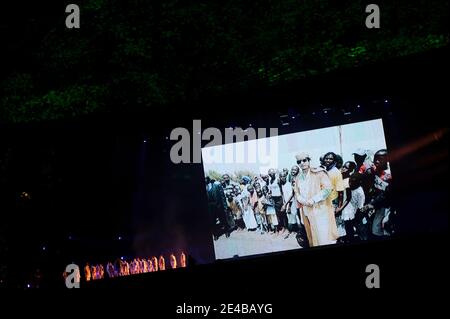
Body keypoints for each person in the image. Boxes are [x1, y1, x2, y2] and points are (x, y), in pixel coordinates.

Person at [294, 153, 338, 247]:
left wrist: (313, 200)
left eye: (304, 160)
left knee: (323, 236)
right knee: (312, 236)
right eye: (299, 162)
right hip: (306, 210)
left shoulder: (319, 173)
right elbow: (297, 192)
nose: (302, 163)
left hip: (320, 210)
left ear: (309, 161)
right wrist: (302, 200)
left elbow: (327, 189)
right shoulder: (298, 178)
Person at [362, 149, 393, 238]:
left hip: (386, 206)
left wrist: (372, 204)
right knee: (375, 228)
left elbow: (386, 195)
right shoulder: (375, 171)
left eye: (380, 159)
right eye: (375, 159)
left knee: (383, 227)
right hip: (377, 204)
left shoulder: (388, 176)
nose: (376, 161)